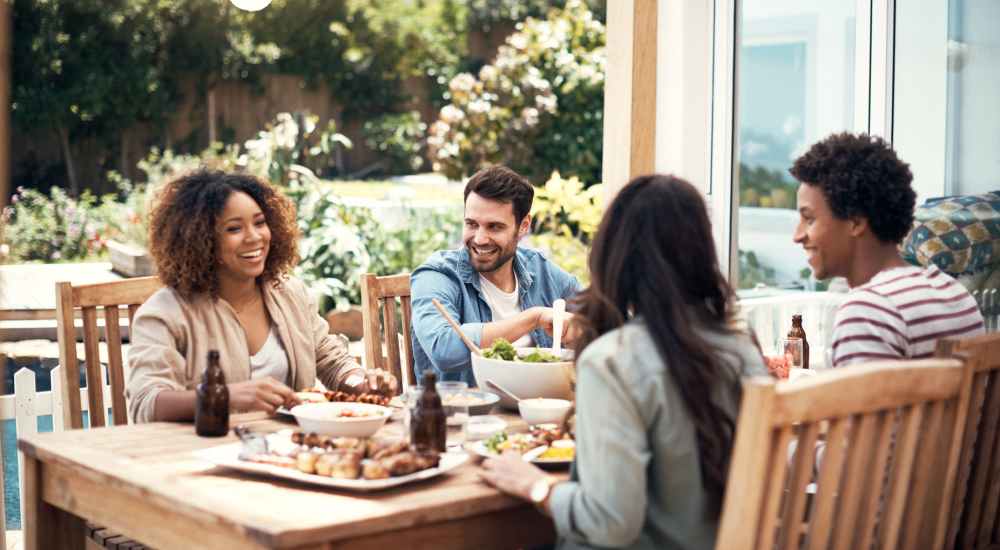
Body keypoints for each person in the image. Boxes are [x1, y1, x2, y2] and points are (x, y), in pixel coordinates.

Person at [480, 175, 767, 549]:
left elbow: (609, 523)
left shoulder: (613, 362)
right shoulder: (740, 348)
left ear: (615, 252)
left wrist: (533, 485)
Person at [126, 170, 395, 423]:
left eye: (260, 223)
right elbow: (146, 403)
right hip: (202, 454)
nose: (254, 237)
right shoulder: (165, 312)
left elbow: (330, 361)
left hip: (289, 449)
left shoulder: (289, 293)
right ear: (199, 239)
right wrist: (227, 397)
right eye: (234, 229)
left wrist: (360, 382)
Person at [790, 132, 984, 366]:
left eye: (809, 219)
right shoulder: (956, 295)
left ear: (856, 222)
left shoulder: (867, 313)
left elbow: (862, 404)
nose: (797, 236)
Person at [410, 165, 580, 385]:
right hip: (465, 414)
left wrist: (582, 328)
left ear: (523, 226)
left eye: (494, 227)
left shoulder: (540, 270)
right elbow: (444, 349)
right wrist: (534, 318)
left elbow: (601, 315)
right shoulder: (437, 275)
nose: (480, 238)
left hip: (538, 409)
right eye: (471, 224)